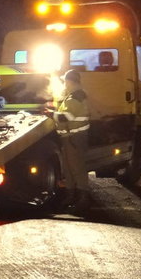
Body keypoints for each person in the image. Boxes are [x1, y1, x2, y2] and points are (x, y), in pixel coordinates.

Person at [54, 69, 90, 213]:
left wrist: (51, 114)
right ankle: (71, 197)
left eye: (65, 81)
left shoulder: (76, 96)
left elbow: (66, 117)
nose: (64, 83)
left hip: (74, 138)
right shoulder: (72, 95)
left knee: (77, 169)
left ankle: (83, 199)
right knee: (69, 169)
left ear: (70, 81)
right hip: (69, 138)